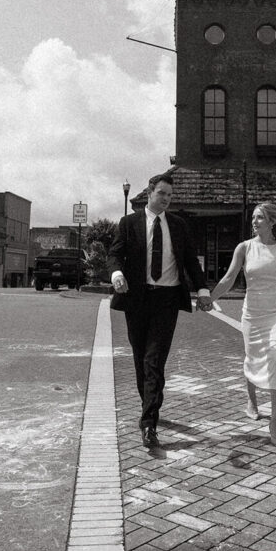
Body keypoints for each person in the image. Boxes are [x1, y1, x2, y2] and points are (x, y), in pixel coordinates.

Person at [107, 172, 212, 449]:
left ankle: (148, 423)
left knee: (154, 360)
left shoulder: (178, 225)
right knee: (141, 358)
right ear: (150, 192)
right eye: (162, 193)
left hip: (167, 300)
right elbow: (115, 253)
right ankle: (148, 403)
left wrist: (202, 290)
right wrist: (117, 273)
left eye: (170, 195)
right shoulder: (129, 224)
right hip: (137, 299)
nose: (166, 199)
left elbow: (190, 261)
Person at [209, 201, 276, 446]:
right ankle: (252, 400)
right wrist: (209, 298)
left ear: (271, 222)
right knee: (252, 357)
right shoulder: (244, 248)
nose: (254, 222)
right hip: (252, 313)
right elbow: (229, 278)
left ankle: (275, 421)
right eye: (253, 218)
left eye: (259, 218)